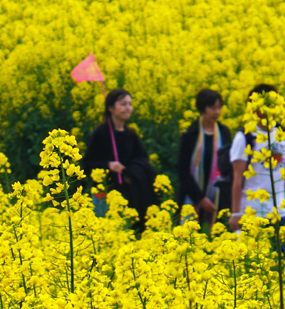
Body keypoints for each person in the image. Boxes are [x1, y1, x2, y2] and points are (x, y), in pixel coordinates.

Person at [81, 88, 158, 232]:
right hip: (103, 194)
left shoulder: (131, 134)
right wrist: (108, 165)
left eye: (130, 104)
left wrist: (131, 174)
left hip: (126, 194)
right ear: (111, 108)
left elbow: (142, 160)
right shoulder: (100, 133)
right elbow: (87, 164)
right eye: (123, 104)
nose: (128, 108)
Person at [228, 84, 285, 232]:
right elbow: (237, 177)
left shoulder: (284, 132)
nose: (269, 109)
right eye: (264, 105)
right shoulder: (245, 136)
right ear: (253, 108)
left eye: (272, 104)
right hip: (253, 211)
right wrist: (235, 213)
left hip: (281, 210)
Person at [175, 88, 235, 228]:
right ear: (202, 109)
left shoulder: (224, 132)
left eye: (219, 108)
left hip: (218, 196)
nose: (217, 112)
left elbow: (228, 166)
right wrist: (200, 198)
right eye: (212, 108)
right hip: (192, 195)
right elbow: (183, 170)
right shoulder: (190, 134)